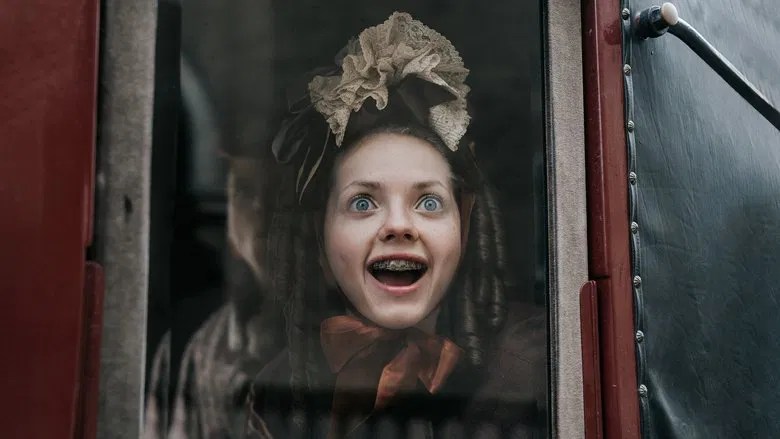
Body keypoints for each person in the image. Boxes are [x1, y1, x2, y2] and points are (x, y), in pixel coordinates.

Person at [244, 12, 546, 439]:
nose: (399, 226)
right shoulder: (278, 395)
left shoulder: (541, 368)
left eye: (428, 202)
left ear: (465, 226)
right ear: (320, 237)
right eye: (363, 203)